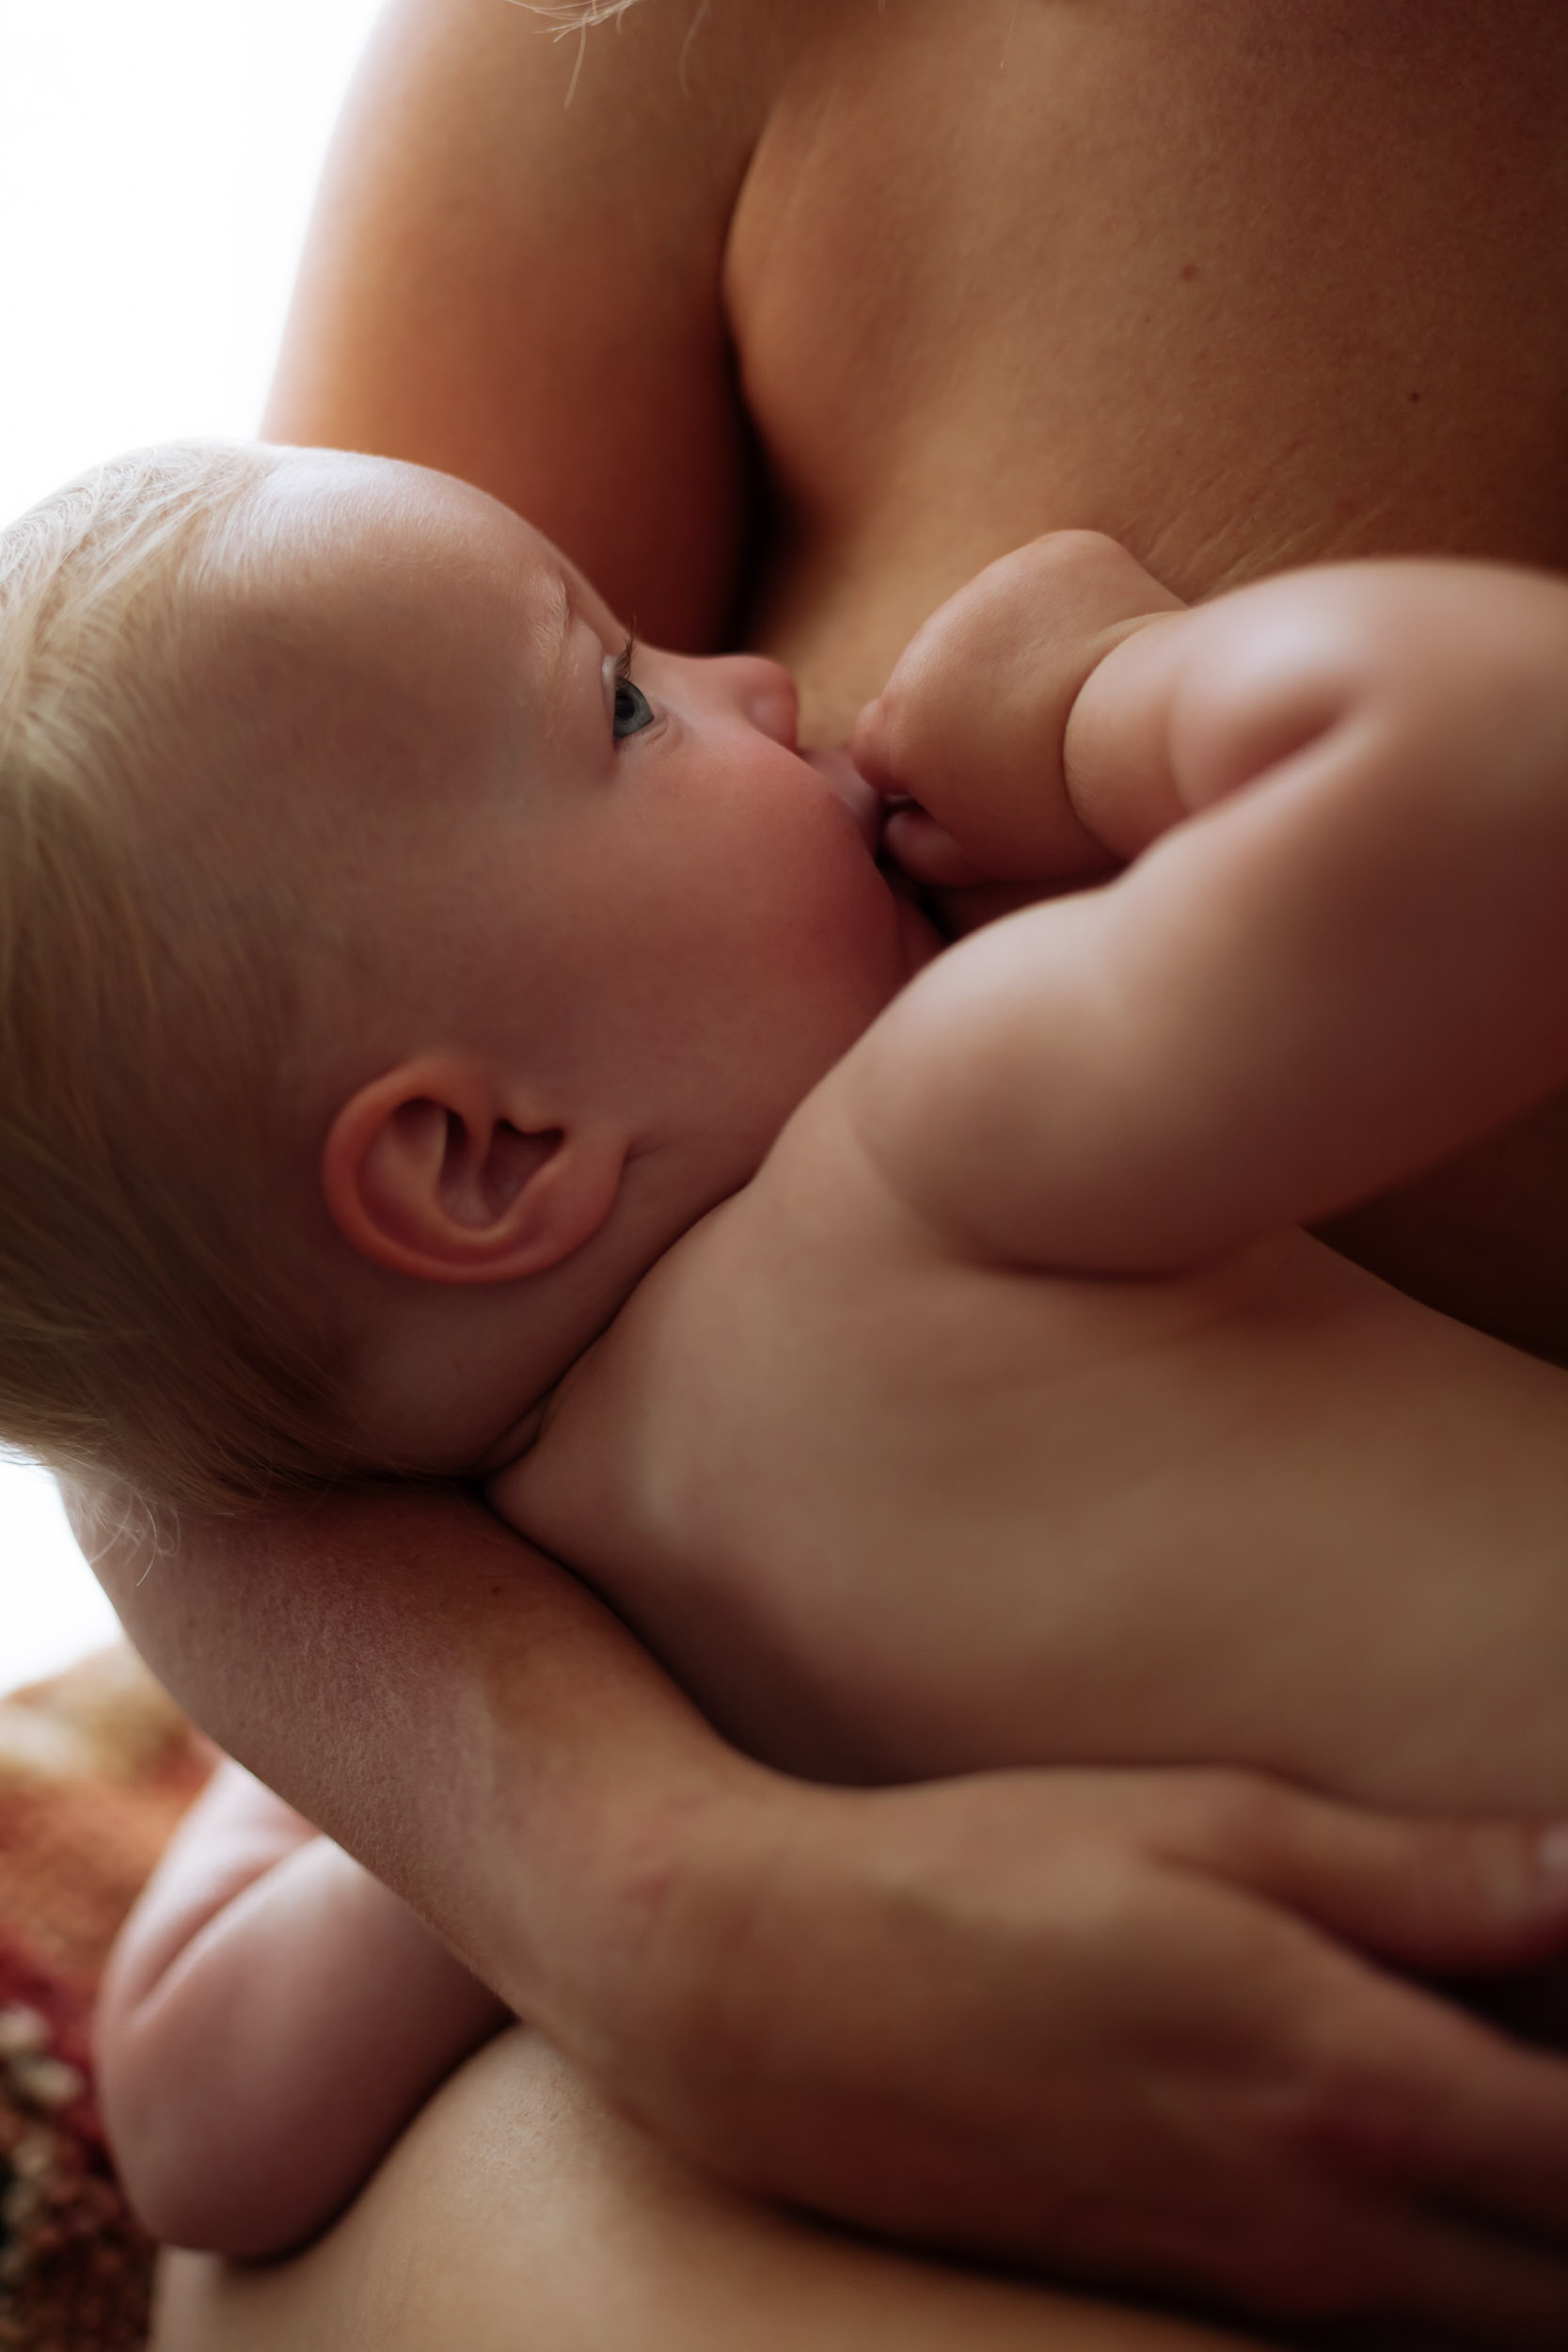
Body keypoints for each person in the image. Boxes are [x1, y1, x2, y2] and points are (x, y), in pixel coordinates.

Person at [68, 0, 1568, 2338]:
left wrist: (568, 1840)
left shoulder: (605, 1562)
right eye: (631, 699)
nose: (761, 673)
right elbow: (1504, 789)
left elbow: (198, 2106)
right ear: (477, 1156)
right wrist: (1104, 699)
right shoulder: (934, 1154)